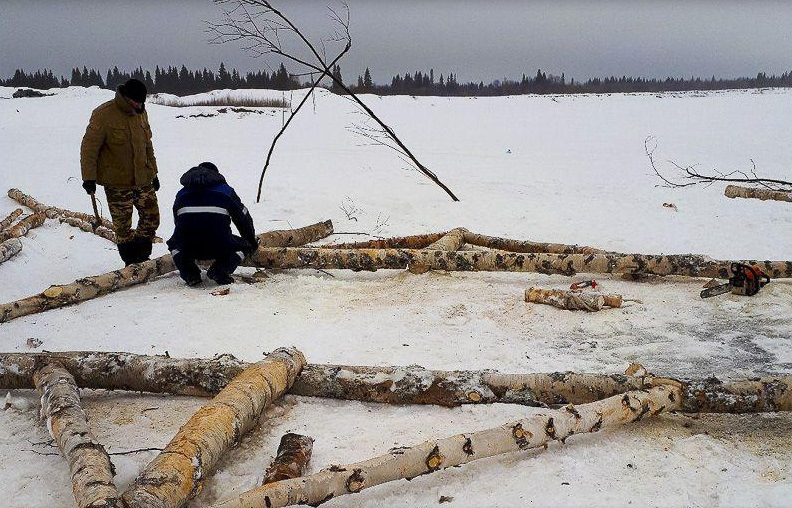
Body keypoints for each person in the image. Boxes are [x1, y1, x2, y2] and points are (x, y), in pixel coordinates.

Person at [80, 78, 160, 265]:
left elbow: (147, 144)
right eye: (136, 102)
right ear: (126, 97)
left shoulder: (141, 112)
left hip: (143, 179)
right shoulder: (103, 114)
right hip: (116, 182)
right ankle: (130, 262)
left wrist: (154, 172)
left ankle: (142, 255)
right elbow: (89, 149)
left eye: (142, 102)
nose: (139, 105)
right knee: (123, 227)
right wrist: (89, 178)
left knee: (152, 218)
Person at [166, 162, 257, 286]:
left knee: (174, 244)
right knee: (244, 246)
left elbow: (178, 222)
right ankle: (220, 270)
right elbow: (243, 218)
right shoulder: (226, 191)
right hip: (219, 246)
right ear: (216, 175)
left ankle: (190, 274)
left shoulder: (181, 194)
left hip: (189, 246)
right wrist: (251, 241)